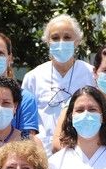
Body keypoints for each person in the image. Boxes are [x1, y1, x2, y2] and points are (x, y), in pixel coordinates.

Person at [22, 14, 96, 150]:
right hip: (42, 153)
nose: (61, 42)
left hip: (81, 150)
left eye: (67, 37)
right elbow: (25, 122)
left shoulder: (91, 74)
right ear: (47, 42)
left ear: (77, 41)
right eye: (55, 38)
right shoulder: (33, 77)